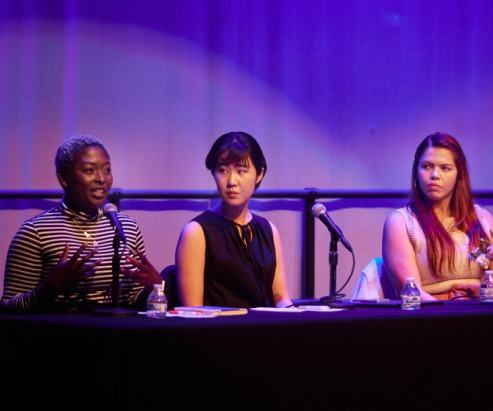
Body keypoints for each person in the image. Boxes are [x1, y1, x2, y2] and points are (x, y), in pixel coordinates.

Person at [0, 135, 162, 314]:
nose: (101, 178)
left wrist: (154, 286)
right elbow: (8, 307)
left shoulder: (126, 227)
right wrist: (51, 286)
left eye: (107, 170)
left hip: (116, 335)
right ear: (64, 179)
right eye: (89, 170)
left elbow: (131, 298)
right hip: (62, 334)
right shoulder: (36, 231)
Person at [175, 131, 293, 309]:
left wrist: (297, 315)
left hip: (266, 330)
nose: (231, 181)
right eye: (223, 170)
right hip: (219, 332)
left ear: (259, 174)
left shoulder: (268, 229)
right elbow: (193, 310)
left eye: (241, 171)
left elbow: (281, 298)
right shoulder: (197, 232)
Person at [382, 132, 493, 301]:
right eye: (427, 166)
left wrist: (484, 294)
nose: (434, 175)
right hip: (431, 318)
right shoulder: (401, 222)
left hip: (481, 314)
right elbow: (412, 294)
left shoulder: (483, 218)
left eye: (445, 168)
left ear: (459, 174)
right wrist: (450, 314)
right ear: (416, 171)